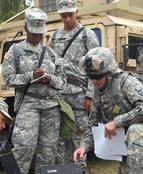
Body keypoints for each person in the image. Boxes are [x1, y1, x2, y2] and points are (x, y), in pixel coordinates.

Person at [2, 8, 66, 174]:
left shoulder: (51, 54)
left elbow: (63, 83)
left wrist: (49, 79)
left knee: (48, 150)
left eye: (40, 34)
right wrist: (31, 76)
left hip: (51, 106)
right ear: (26, 28)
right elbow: (8, 79)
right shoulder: (15, 51)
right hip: (28, 104)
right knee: (24, 146)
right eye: (33, 33)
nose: (37, 37)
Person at [49, 0, 99, 163]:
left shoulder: (87, 35)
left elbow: (96, 66)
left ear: (76, 12)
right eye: (64, 16)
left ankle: (80, 172)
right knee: (60, 135)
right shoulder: (55, 37)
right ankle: (62, 173)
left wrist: (90, 95)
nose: (67, 19)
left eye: (70, 15)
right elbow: (49, 63)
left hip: (80, 93)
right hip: (60, 94)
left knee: (80, 134)